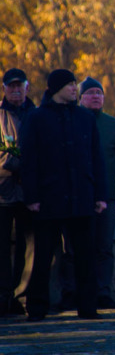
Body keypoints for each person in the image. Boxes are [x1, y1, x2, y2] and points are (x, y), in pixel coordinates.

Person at [19, 69, 107, 321]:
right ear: (56, 88)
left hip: (81, 198)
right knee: (43, 256)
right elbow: (30, 161)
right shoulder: (37, 118)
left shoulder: (85, 118)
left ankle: (88, 308)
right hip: (48, 198)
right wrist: (32, 196)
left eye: (74, 84)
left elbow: (96, 159)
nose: (73, 89)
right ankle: (37, 308)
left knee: (85, 257)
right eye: (70, 85)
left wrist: (99, 195)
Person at [58, 77, 115, 310]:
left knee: (104, 248)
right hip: (74, 197)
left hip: (108, 196)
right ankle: (70, 292)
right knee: (70, 249)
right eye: (90, 93)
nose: (95, 96)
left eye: (99, 93)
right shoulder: (69, 121)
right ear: (80, 97)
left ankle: (103, 292)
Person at [0, 68, 35, 316]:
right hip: (2, 192)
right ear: (4, 89)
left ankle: (22, 297)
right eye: (10, 86)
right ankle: (3, 298)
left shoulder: (37, 115)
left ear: (26, 87)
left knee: (28, 247)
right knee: (2, 248)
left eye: (18, 86)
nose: (15, 90)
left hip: (30, 193)